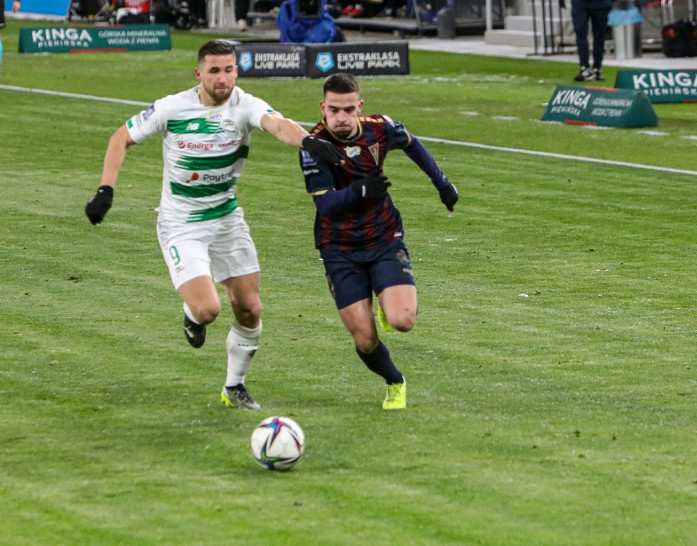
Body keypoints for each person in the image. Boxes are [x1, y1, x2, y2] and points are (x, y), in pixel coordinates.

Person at [84, 40, 345, 410]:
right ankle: (193, 317)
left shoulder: (245, 104)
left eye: (228, 70)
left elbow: (277, 124)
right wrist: (105, 191)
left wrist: (309, 142)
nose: (222, 79)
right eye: (214, 71)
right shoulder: (172, 108)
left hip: (226, 220)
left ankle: (234, 386)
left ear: (236, 71)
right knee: (208, 309)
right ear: (199, 74)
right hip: (181, 224)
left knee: (250, 308)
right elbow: (120, 138)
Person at [298, 73, 458, 410]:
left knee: (402, 321)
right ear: (322, 107)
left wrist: (441, 183)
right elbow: (325, 204)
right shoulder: (315, 146)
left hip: (384, 237)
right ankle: (395, 381)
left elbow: (413, 144)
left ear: (360, 106)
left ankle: (388, 302)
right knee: (365, 339)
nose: (340, 117)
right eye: (333, 110)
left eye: (347, 109)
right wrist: (358, 191)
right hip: (339, 248)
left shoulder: (379, 128)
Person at [561, 0, 612, 82]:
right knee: (580, 32)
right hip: (580, 4)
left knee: (600, 36)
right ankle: (584, 67)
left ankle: (597, 68)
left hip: (601, 4)